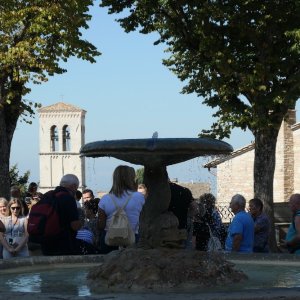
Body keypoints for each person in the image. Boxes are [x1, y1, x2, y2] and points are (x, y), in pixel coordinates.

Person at [98, 165, 145, 254]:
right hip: (132, 238)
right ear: (131, 179)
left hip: (110, 238)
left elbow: (101, 225)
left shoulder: (105, 199)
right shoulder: (140, 197)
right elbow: (145, 220)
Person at [40, 174, 83, 256]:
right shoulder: (68, 198)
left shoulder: (47, 196)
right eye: (76, 188)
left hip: (45, 243)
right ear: (73, 186)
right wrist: (81, 222)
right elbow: (75, 225)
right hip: (63, 243)